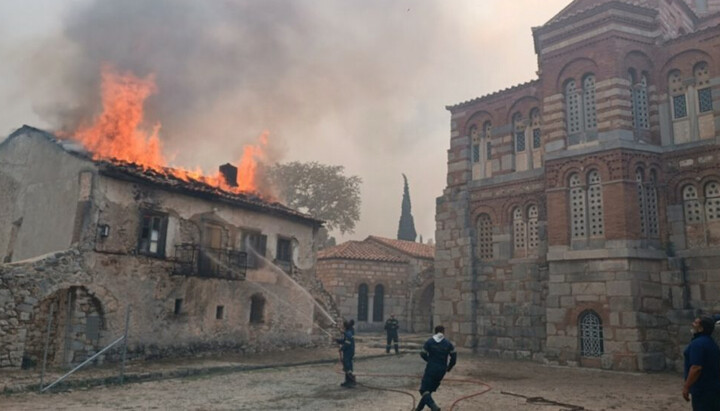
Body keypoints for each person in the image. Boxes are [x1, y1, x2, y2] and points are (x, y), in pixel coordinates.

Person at [683, 315, 720, 410]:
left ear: (701, 328)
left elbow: (696, 368)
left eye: (695, 323)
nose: (693, 324)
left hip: (702, 390)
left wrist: (687, 387)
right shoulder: (711, 343)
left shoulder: (698, 344)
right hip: (714, 388)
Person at [416, 325, 456, 411]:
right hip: (441, 370)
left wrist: (429, 360)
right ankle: (418, 409)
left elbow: (422, 354)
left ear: (435, 331)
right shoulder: (448, 343)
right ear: (443, 332)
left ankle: (434, 408)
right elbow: (454, 358)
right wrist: (448, 368)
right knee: (429, 390)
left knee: (423, 390)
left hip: (431, 368)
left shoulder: (429, 342)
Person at [336, 319, 356, 388]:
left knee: (347, 366)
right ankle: (348, 381)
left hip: (348, 351)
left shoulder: (348, 333)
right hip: (349, 351)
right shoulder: (348, 332)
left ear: (345, 327)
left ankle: (351, 381)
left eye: (343, 326)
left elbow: (347, 343)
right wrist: (336, 340)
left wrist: (341, 349)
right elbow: (344, 341)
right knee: (347, 365)